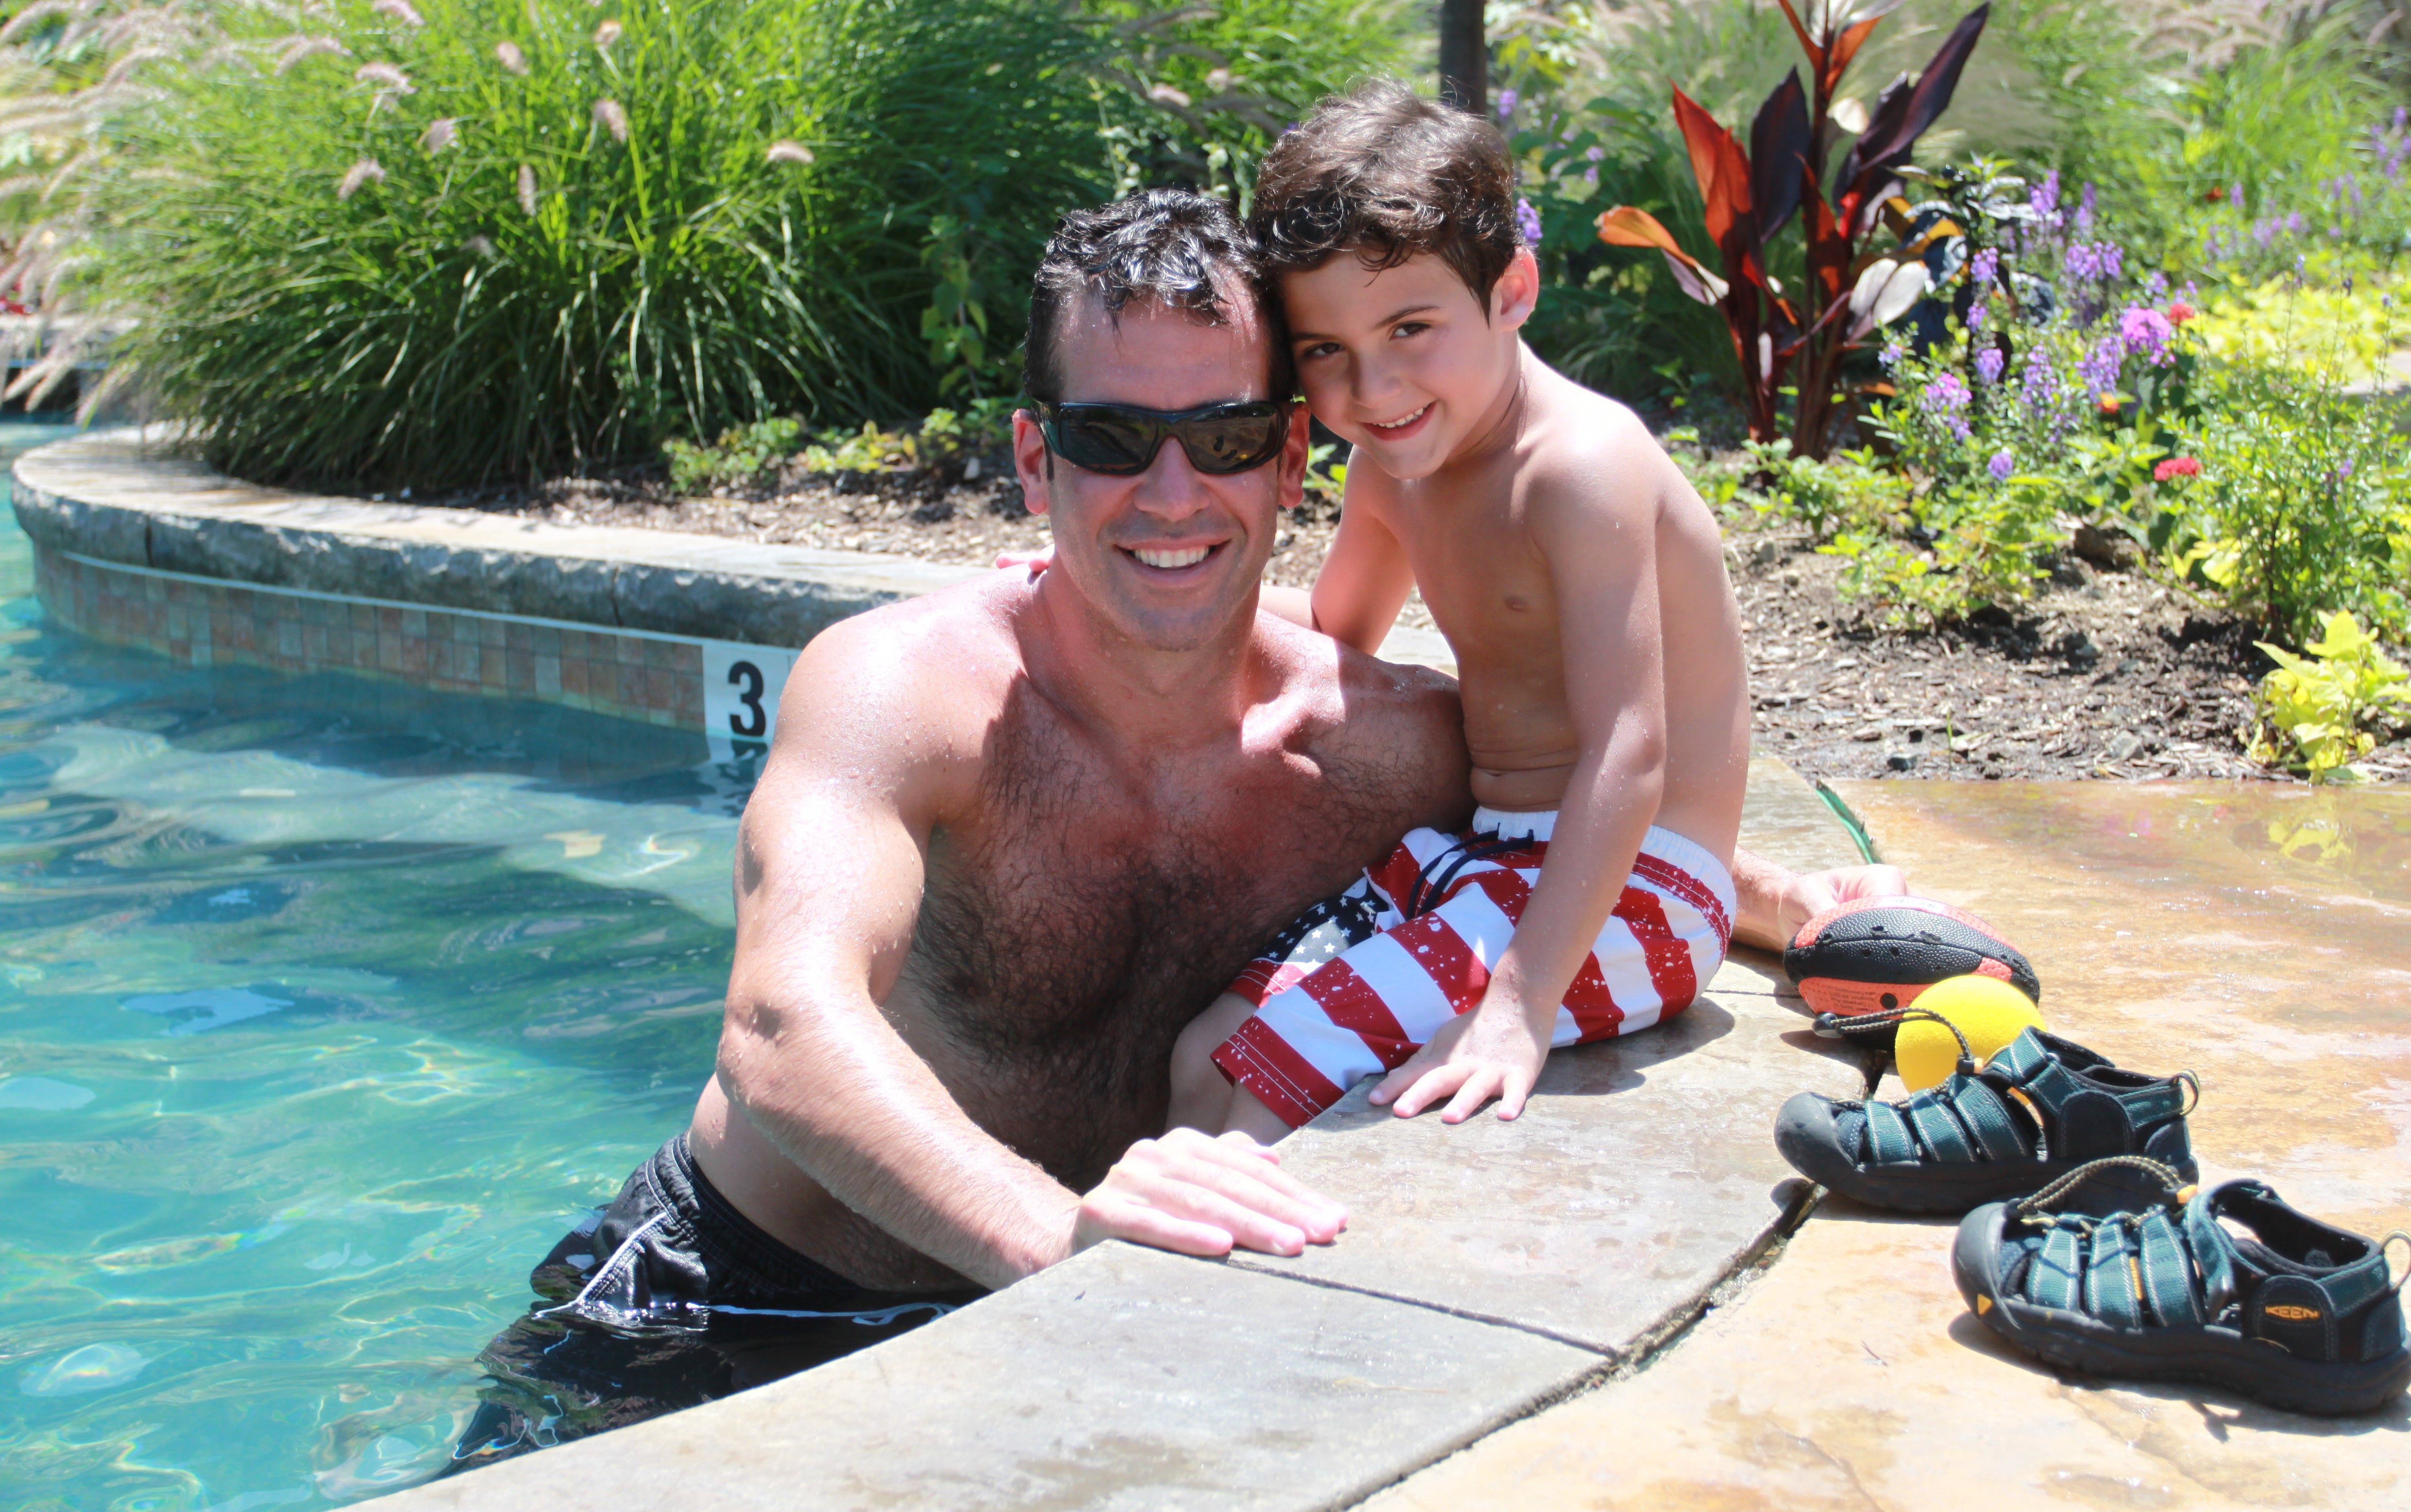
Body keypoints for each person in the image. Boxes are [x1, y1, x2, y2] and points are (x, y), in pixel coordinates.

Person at [449, 188, 1902, 1468]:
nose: (1170, 493)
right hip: (732, 1292)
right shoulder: (911, 691)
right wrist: (1057, 1244)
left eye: (1221, 437)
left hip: (1068, 1311)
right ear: (1036, 460)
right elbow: (781, 1029)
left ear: (1289, 462)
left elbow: (1563, 830)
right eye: (1113, 437)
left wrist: (1771, 900)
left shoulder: (1383, 746)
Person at [1170, 82, 1753, 1142]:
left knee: (1269, 1080)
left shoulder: (1575, 469)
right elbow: (1337, 627)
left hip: (1644, 896)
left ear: (1512, 290)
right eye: (1325, 351)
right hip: (1485, 859)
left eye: (1410, 328)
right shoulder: (1398, 471)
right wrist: (1127, 589)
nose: (1373, 387)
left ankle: (1275, 1298)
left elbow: (1631, 746)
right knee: (1203, 1051)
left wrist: (1518, 1010)